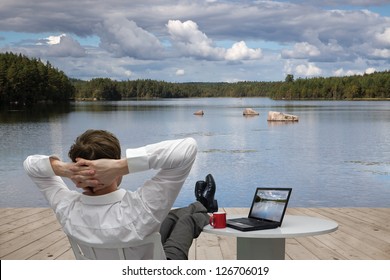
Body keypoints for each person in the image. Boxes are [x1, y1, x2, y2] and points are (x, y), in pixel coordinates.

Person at [24, 129, 218, 260]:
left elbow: (31, 165)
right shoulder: (140, 208)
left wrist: (66, 170)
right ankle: (203, 207)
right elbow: (188, 148)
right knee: (187, 221)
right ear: (111, 165)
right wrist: (121, 166)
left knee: (172, 216)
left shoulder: (66, 207)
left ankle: (201, 203)